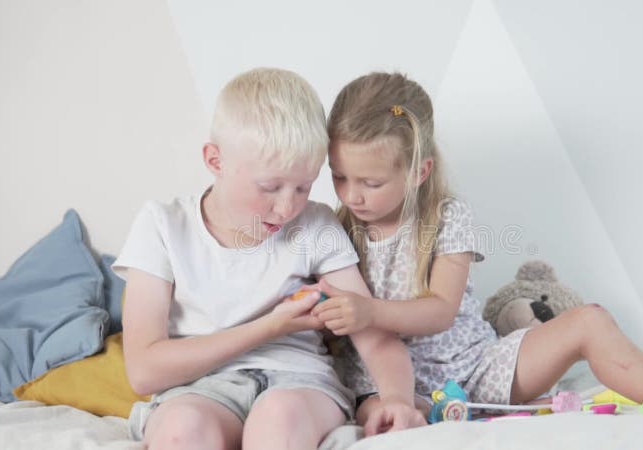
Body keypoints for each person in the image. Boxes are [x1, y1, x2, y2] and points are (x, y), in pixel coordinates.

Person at [311, 71, 643, 424]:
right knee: (376, 409)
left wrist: (369, 311)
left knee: (589, 320)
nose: (352, 195)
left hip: (479, 370)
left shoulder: (447, 217)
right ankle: (409, 418)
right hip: (386, 383)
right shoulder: (333, 230)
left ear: (418, 172)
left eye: (370, 182)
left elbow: (442, 310)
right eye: (339, 176)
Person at [113, 68, 425, 450]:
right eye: (270, 187)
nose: (286, 207)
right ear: (215, 160)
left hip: (300, 383)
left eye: (303, 187)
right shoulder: (162, 226)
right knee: (182, 429)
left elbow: (372, 334)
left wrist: (396, 399)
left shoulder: (315, 224)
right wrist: (271, 326)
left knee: (279, 420)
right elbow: (144, 372)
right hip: (200, 388)